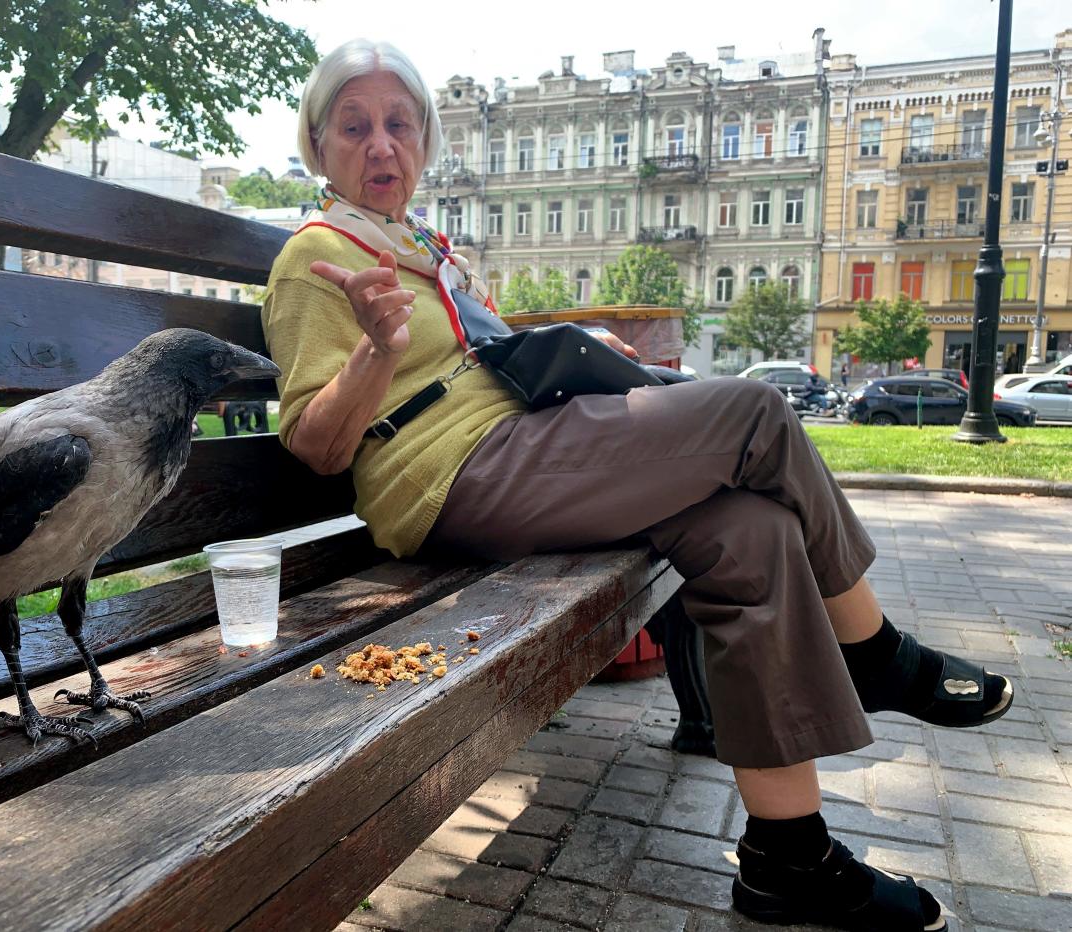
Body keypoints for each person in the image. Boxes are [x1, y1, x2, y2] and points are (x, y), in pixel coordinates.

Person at [262, 39, 1013, 931]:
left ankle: (787, 856)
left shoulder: (419, 247)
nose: (380, 145)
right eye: (354, 127)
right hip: (453, 478)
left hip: (515, 446)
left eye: (399, 124)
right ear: (318, 145)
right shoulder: (316, 261)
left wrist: (576, 346)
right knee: (757, 412)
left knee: (753, 535)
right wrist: (371, 358)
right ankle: (876, 653)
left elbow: (483, 355)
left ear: (425, 141)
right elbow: (316, 446)